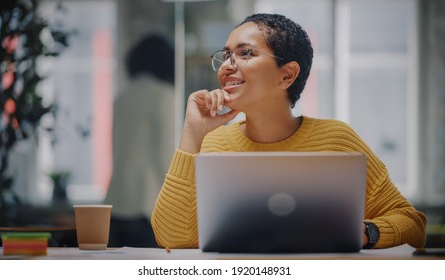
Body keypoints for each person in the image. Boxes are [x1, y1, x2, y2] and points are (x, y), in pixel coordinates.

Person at [151, 13, 426, 249]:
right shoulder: (213, 144)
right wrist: (192, 132)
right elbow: (172, 238)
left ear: (287, 75)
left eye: (245, 53)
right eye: (226, 55)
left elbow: (413, 226)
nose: (226, 66)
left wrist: (367, 233)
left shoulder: (337, 139)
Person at [105, 34, 175, 247]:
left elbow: (116, 148)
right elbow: (164, 155)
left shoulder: (122, 97)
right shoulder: (163, 94)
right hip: (146, 204)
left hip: (115, 200)